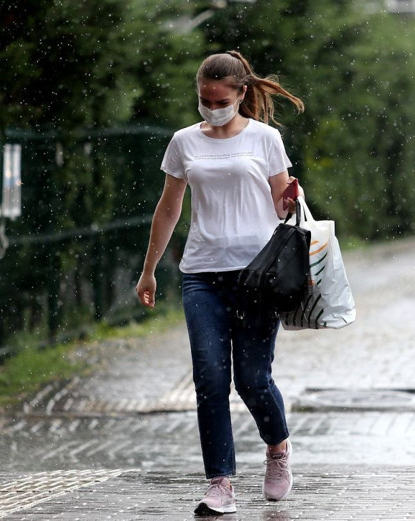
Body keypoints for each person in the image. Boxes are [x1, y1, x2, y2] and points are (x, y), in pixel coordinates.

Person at [135, 50, 305, 516]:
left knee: (252, 380)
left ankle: (278, 449)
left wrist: (292, 199)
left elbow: (281, 207)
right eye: (204, 99)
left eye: (220, 98)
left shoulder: (266, 139)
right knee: (210, 380)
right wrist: (148, 270)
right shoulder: (184, 142)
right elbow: (169, 209)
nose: (212, 106)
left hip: (257, 276)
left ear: (241, 94)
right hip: (201, 274)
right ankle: (221, 482)